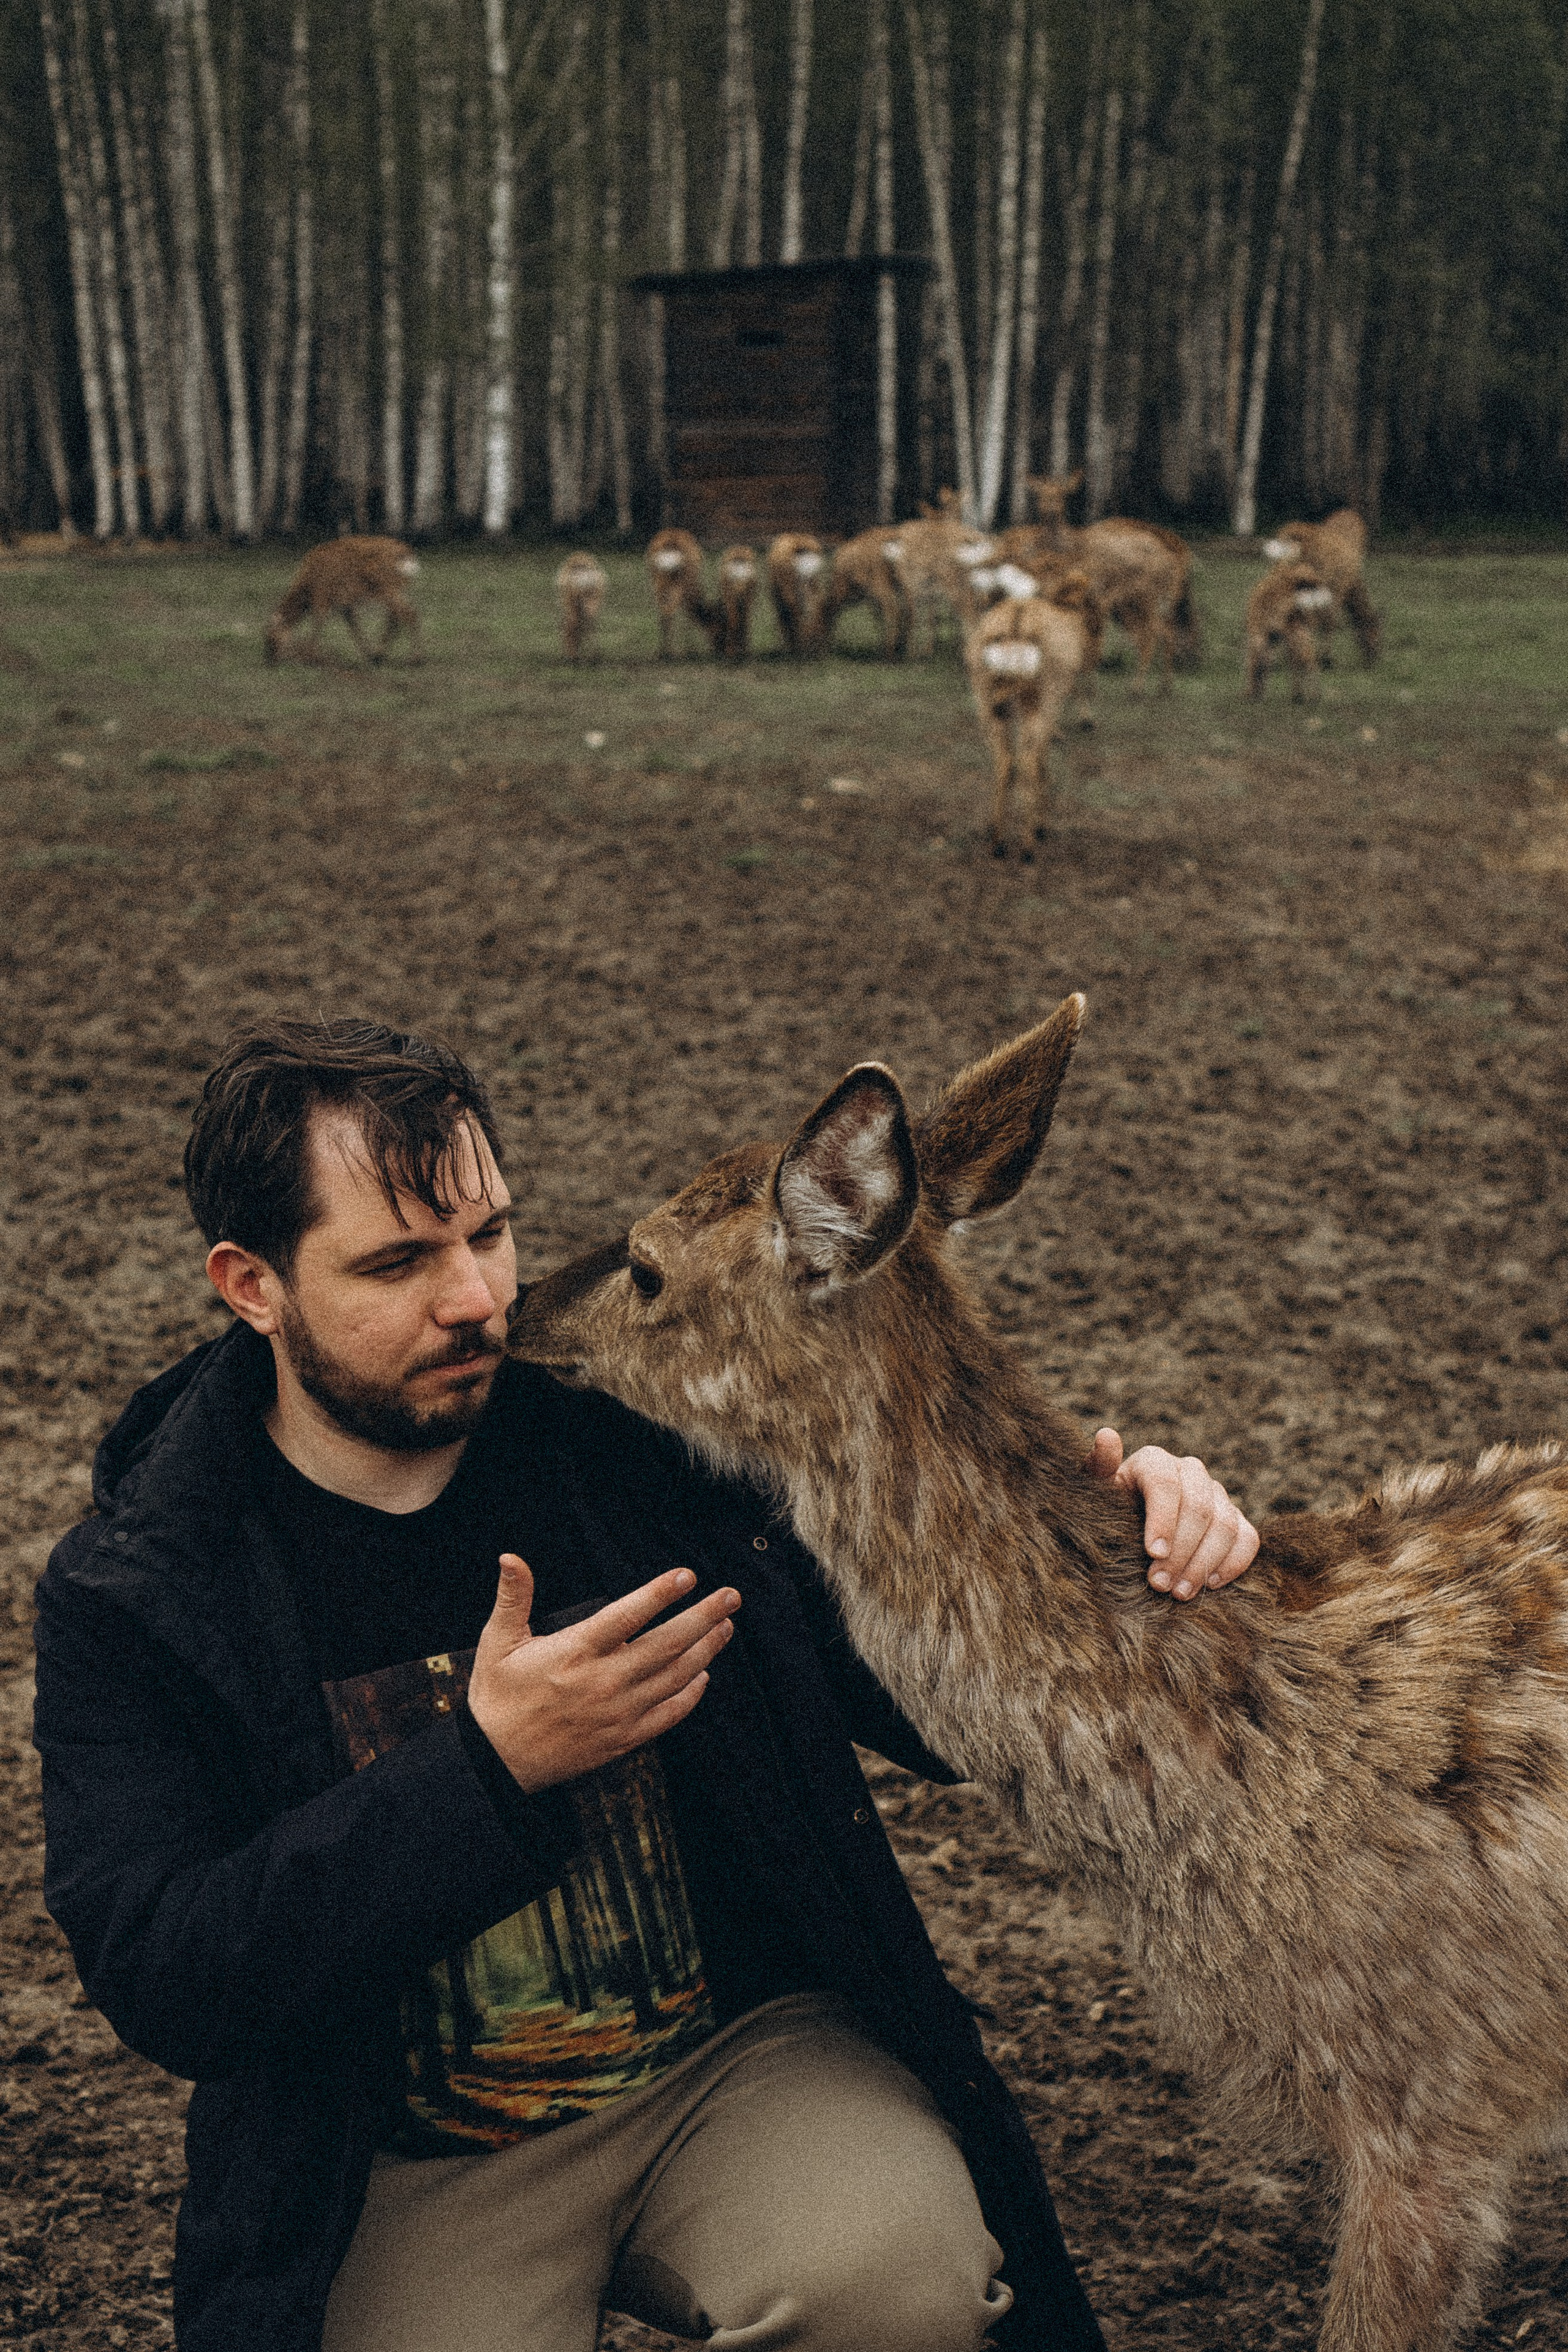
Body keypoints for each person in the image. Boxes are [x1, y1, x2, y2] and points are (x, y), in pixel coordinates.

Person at [33, 1019, 1258, 2352]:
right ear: (251, 1285)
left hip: (731, 2072)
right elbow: (170, 1973)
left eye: (485, 1235)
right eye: (396, 1262)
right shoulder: (146, 1588)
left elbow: (929, 1702)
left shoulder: (644, 1446)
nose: (476, 1302)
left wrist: (1114, 1544)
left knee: (901, 2287)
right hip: (407, 2153)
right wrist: (483, 1770)